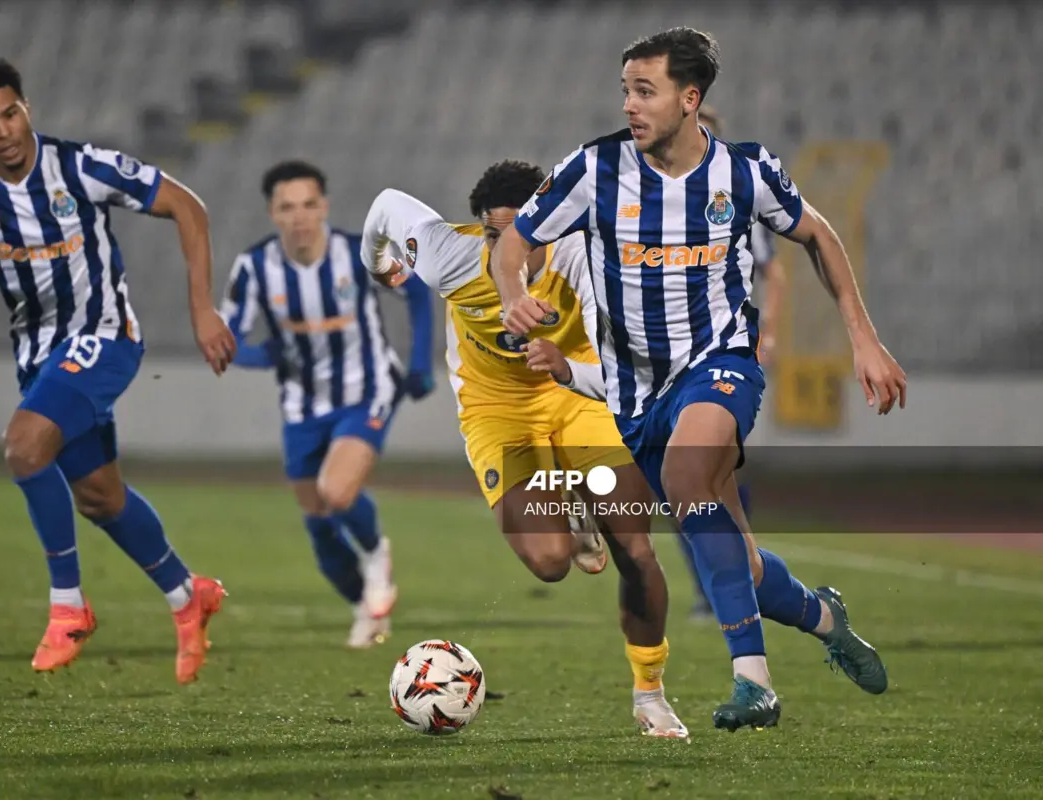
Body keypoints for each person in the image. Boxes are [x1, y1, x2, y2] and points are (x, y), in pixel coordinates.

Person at [491, 28, 906, 731]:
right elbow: (513, 243)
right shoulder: (596, 169)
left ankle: (754, 681)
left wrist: (863, 338)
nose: (629, 104)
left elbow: (818, 234)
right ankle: (825, 617)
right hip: (635, 398)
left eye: (644, 91)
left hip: (720, 363)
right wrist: (512, 294)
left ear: (689, 99)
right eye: (626, 90)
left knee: (688, 481)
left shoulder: (744, 172)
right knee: (738, 564)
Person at [0, 58, 235, 684]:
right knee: (99, 497)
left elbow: (188, 207)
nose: (4, 131)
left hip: (104, 336)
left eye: (11, 114)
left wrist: (202, 308)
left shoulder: (80, 166)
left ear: (27, 109)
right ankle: (188, 594)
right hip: (39, 356)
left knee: (24, 446)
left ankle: (68, 607)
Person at [361, 160, 688, 739]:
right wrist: (379, 264)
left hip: (578, 394)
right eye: (493, 234)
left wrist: (570, 370)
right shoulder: (447, 256)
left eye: (522, 234)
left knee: (635, 547)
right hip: (497, 411)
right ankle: (570, 502)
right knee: (550, 562)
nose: (505, 249)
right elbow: (386, 204)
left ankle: (650, 695)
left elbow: (629, 368)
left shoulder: (585, 259)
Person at [221, 161, 436, 649]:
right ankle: (365, 608)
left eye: (308, 204)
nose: (299, 216)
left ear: (324, 207)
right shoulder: (254, 268)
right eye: (287, 207)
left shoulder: (357, 255)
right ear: (273, 213)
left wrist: (420, 362)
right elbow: (227, 339)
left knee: (336, 492)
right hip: (302, 405)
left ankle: (377, 554)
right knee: (317, 521)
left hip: (368, 389)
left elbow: (417, 292)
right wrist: (263, 355)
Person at [675, 103, 789, 620]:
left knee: (707, 470)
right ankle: (732, 583)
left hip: (723, 356)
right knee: (683, 479)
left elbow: (773, 272)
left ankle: (731, 586)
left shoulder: (736, 200)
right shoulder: (651, 203)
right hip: (669, 362)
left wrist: (770, 334)